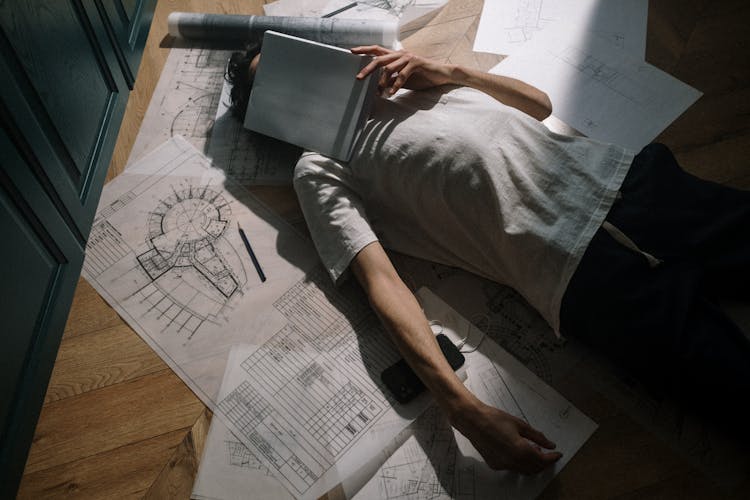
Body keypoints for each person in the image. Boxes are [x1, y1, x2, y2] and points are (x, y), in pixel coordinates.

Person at [226, 44, 750, 474]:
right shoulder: (320, 168)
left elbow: (539, 105)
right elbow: (381, 282)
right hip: (576, 273)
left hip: (628, 183)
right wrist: (464, 410)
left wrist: (449, 71)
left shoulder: (409, 81)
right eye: (281, 85)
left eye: (302, 61)